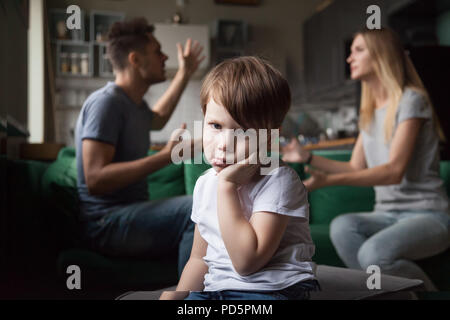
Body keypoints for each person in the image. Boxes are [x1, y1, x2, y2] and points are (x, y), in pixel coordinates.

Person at [282, 28, 450, 291]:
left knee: (373, 254)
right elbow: (355, 166)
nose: (349, 58)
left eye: (358, 50)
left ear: (383, 55)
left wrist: (328, 181)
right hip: (385, 214)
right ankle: (383, 295)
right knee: (342, 226)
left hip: (428, 215)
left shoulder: (411, 101)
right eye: (351, 52)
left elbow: (394, 171)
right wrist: (308, 157)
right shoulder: (369, 112)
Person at [160, 56, 320, 300]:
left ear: (269, 139)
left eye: (243, 131)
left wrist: (227, 187)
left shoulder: (278, 180)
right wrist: (178, 295)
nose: (224, 144)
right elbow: (199, 258)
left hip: (272, 290)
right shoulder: (206, 183)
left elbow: (247, 262)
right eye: (215, 125)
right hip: (217, 291)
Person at [74, 17, 205, 276]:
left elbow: (159, 116)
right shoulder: (106, 103)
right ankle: (188, 300)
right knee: (197, 207)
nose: (165, 57)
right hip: (105, 223)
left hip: (126, 216)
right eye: (157, 51)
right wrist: (168, 156)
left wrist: (185, 73)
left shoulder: (134, 105)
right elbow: (95, 179)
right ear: (135, 60)